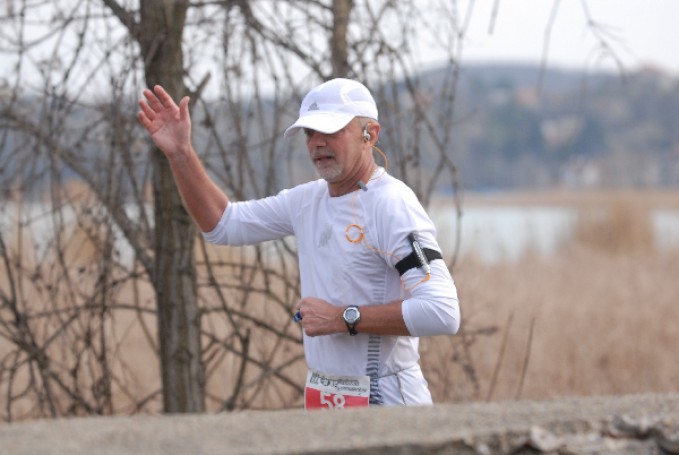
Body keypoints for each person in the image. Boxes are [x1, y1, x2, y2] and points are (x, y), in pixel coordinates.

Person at [138, 78, 461, 408]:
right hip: (325, 397)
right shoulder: (306, 201)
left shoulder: (392, 204)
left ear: (370, 134)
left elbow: (442, 312)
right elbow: (223, 225)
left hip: (386, 396)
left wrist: (344, 318)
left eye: (330, 130)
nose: (317, 143)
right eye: (309, 132)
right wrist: (181, 154)